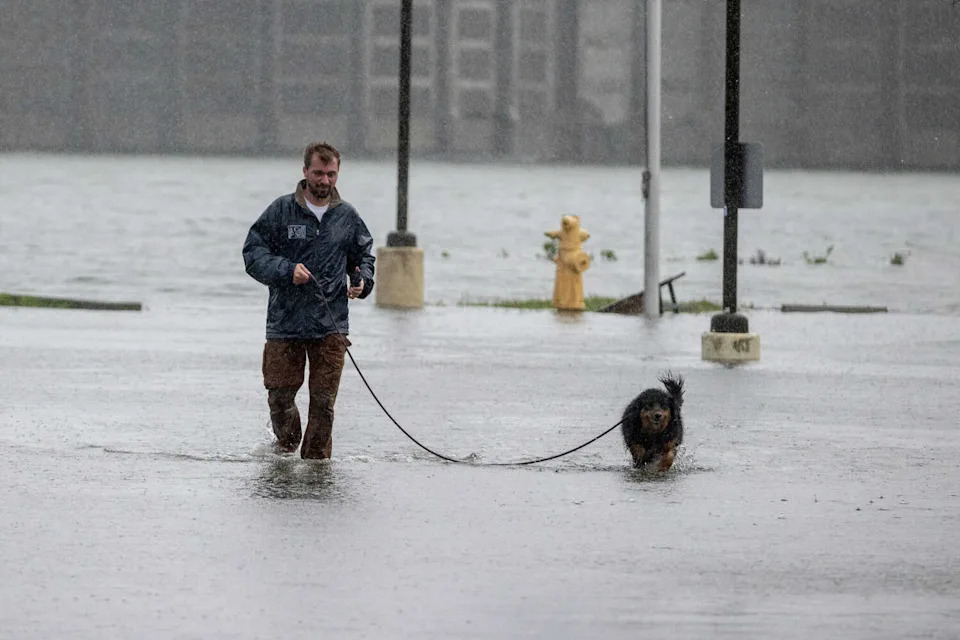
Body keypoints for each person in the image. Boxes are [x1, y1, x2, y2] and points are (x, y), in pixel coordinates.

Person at [242, 141, 375, 459]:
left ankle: (316, 468)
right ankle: (286, 449)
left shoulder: (347, 217)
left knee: (323, 404)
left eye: (331, 174)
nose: (324, 181)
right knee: (280, 397)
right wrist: (287, 270)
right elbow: (253, 254)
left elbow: (363, 257)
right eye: (318, 173)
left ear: (337, 173)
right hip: (284, 323)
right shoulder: (281, 211)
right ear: (305, 172)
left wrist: (362, 281)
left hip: (330, 327)